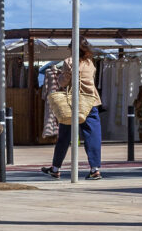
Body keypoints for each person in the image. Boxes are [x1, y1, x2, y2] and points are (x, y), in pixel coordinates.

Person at [41, 37, 103, 181]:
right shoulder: (90, 62)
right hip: (91, 102)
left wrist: (60, 76)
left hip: (73, 103)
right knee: (93, 135)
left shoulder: (69, 61)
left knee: (64, 136)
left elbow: (63, 82)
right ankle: (95, 169)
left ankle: (55, 169)